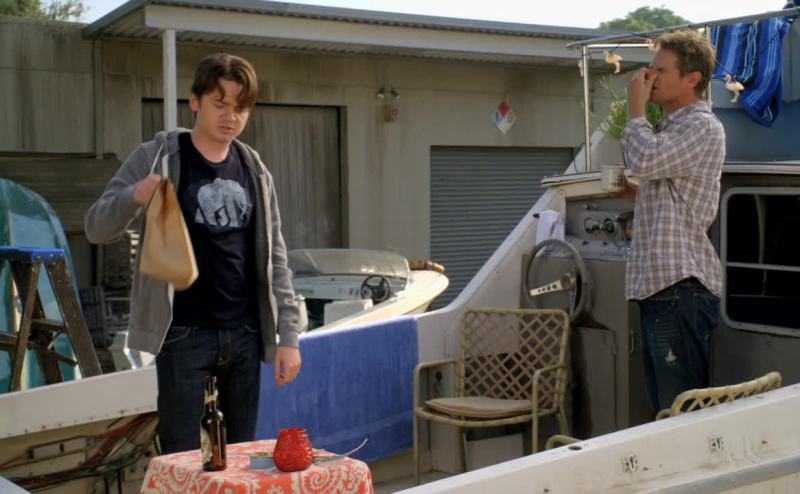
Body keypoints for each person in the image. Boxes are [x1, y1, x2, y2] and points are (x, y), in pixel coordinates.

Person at [85, 53, 302, 453]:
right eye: (220, 104)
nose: (230, 116)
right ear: (195, 101)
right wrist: (134, 196)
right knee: (182, 460)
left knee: (239, 460)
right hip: (182, 334)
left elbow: (276, 258)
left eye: (240, 107)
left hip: (246, 335)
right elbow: (96, 227)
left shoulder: (254, 168)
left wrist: (288, 337)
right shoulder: (158, 156)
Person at [621, 31, 725, 414]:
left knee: (679, 412)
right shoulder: (670, 128)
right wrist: (635, 195)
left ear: (692, 78)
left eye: (661, 70)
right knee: (667, 409)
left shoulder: (702, 126)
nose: (650, 77)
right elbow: (669, 192)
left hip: (680, 288)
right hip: (663, 288)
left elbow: (645, 160)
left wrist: (635, 111)